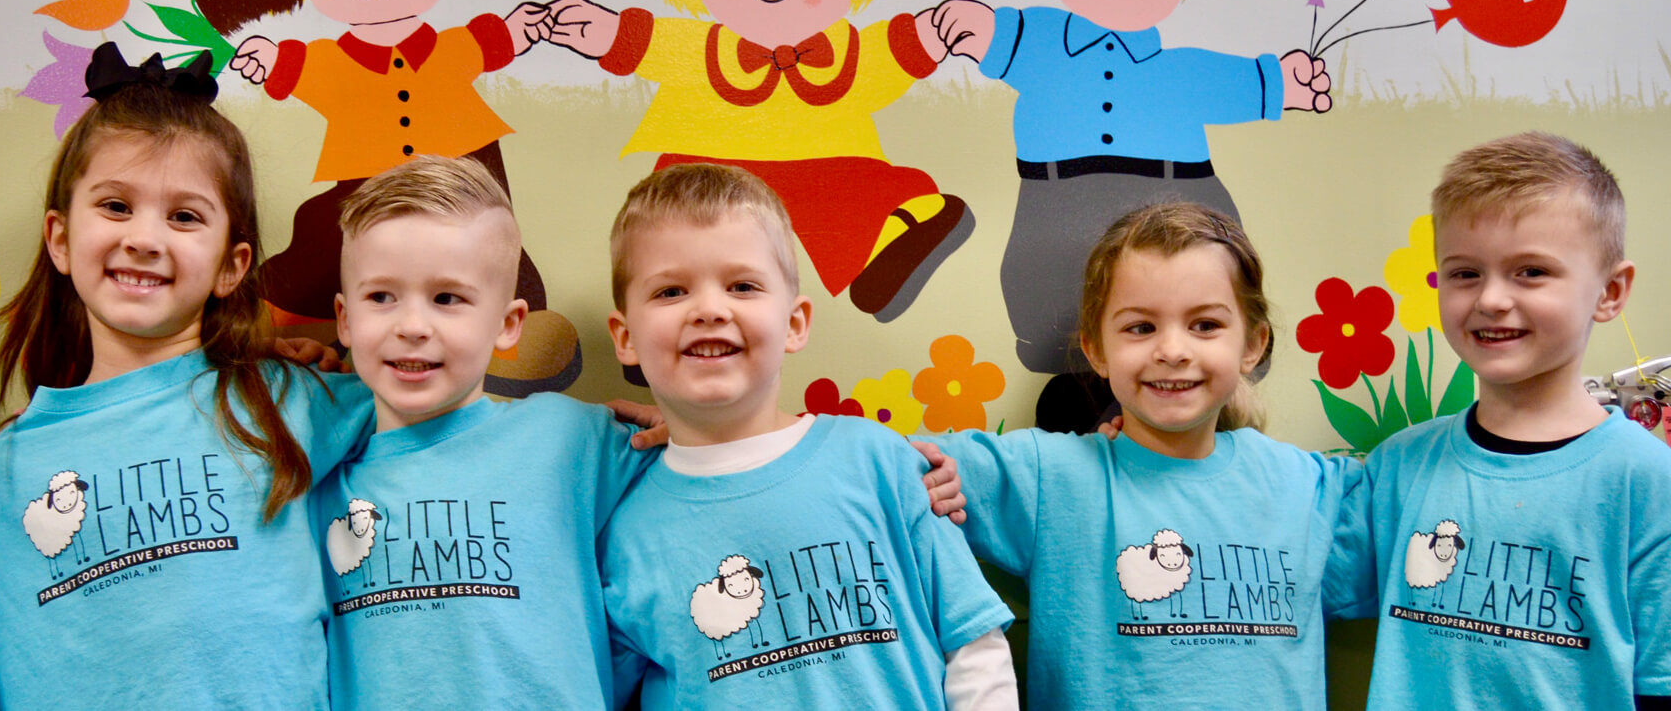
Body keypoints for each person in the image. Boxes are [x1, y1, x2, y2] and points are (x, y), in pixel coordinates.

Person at [318, 155, 968, 709]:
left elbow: (731, 455)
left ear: (510, 324)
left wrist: (910, 471)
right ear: (344, 320)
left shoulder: (574, 438)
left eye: (447, 298)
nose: (411, 326)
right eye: (382, 298)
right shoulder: (312, 469)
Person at [0, 43, 375, 708]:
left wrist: (601, 433)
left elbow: (450, 419)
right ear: (60, 239)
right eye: (116, 206)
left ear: (232, 266)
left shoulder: (285, 400)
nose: (145, 238)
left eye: (183, 216)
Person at [924, 0, 1331, 429]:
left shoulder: (1176, 66)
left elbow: (1225, 80)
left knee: (1199, 270)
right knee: (1043, 290)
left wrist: (1280, 82)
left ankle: (1213, 375)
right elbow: (1001, 34)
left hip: (1177, 186)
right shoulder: (1040, 36)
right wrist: (977, 28)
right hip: (1059, 190)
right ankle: (1078, 370)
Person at [597, 164, 1015, 708]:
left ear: (794, 324)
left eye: (742, 286)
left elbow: (973, 643)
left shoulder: (881, 460)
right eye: (672, 291)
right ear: (626, 338)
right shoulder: (623, 529)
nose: (709, 310)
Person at [928, 202, 1360, 709]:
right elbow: (880, 467)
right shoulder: (1049, 479)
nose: (1173, 350)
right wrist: (929, 477)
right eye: (1140, 328)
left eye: (1204, 325)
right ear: (1096, 349)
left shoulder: (1310, 489)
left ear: (1253, 344)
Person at [197, 0, 578, 395]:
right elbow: (293, 67)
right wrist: (266, 57)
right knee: (328, 241)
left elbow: (494, 39)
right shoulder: (327, 61)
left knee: (487, 240)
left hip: (464, 163)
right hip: (362, 178)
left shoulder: (452, 47)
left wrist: (524, 26)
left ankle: (514, 323)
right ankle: (305, 315)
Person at [1324, 132, 1671, 709]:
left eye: (1530, 271)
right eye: (1464, 273)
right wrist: (1150, 445)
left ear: (1610, 292)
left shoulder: (1649, 484)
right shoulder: (1398, 465)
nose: (1490, 299)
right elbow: (1281, 567)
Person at [541, 0, 970, 322]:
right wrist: (606, 32)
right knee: (680, 222)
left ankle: (892, 248)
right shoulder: (702, 46)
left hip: (824, 163)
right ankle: (663, 305)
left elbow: (888, 54)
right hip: (710, 164)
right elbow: (653, 42)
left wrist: (933, 33)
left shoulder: (847, 49)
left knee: (857, 198)